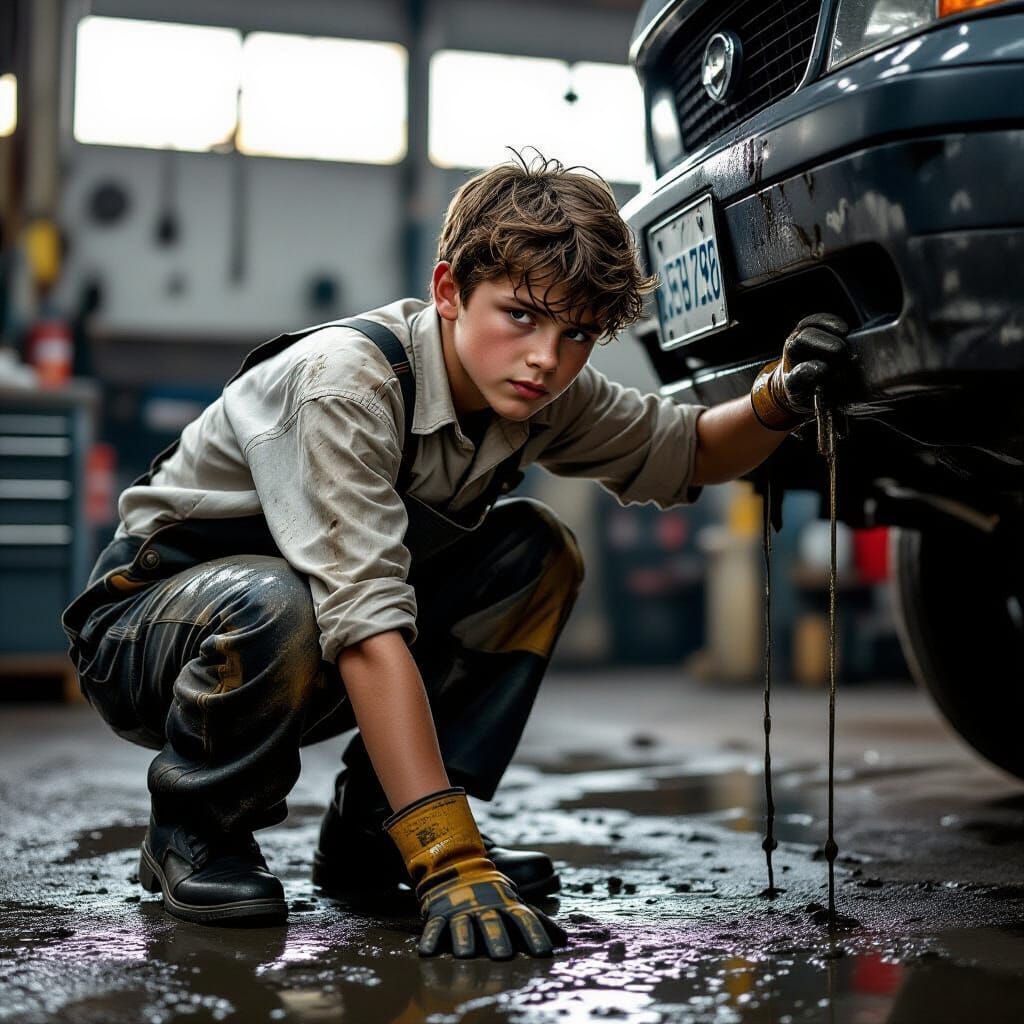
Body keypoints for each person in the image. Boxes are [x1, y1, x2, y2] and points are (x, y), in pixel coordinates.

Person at [62, 151, 849, 959]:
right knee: (281, 602)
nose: (547, 357)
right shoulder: (347, 385)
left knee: (535, 552)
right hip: (146, 636)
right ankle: (196, 831)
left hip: (302, 632)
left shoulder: (539, 391)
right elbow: (366, 628)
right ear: (448, 291)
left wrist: (777, 398)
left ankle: (376, 837)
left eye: (577, 333)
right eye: (521, 316)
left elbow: (684, 448)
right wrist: (452, 860)